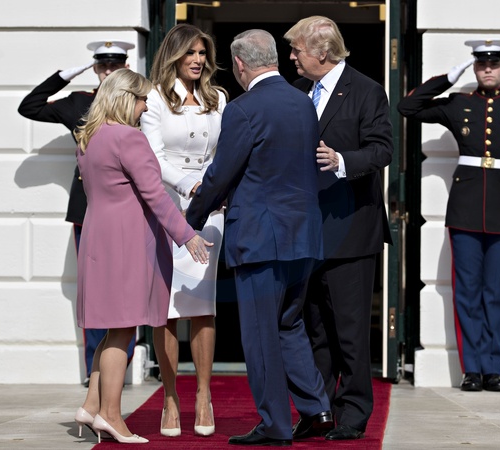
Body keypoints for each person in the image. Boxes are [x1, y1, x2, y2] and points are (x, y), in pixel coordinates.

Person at [186, 29, 331, 446]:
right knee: (289, 323)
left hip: (260, 236)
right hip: (303, 234)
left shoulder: (243, 108)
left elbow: (222, 173)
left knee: (260, 333)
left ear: (239, 64)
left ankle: (275, 425)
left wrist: (191, 218)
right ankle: (317, 408)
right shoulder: (303, 102)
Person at [72, 68, 213, 444]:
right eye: (142, 100)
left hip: (98, 240)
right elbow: (154, 194)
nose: (145, 108)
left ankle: (91, 405)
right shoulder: (128, 138)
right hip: (126, 244)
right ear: (125, 98)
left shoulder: (88, 138)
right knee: (122, 329)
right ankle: (111, 416)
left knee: (111, 328)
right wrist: (187, 236)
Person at [397, 39, 500, 392]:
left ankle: (493, 369)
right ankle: (471, 370)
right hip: (464, 211)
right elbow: (407, 107)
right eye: (481, 64)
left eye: (494, 63)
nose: (488, 69)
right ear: (475, 68)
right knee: (466, 292)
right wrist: (447, 78)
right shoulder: (458, 104)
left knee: (495, 293)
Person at [284, 16, 393, 441]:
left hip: (351, 229)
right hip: (306, 231)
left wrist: (342, 160)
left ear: (323, 52)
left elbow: (381, 150)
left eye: (297, 50)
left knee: (349, 330)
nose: (291, 57)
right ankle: (319, 410)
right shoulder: (297, 91)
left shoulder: (366, 90)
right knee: (315, 329)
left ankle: (354, 413)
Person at [17, 39, 137, 386]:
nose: (109, 71)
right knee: (95, 288)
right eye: (103, 66)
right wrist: (65, 76)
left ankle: (123, 359)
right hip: (89, 207)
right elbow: (29, 106)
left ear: (126, 67)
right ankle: (95, 371)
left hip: (131, 206)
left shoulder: (140, 102)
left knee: (130, 284)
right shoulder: (79, 103)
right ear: (96, 68)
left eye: (115, 65)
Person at [140, 23, 226, 438]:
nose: (197, 60)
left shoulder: (218, 98)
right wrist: (189, 186)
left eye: (202, 53)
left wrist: (214, 189)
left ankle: (204, 396)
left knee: (203, 304)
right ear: (173, 55)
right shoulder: (155, 98)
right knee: (167, 307)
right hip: (167, 206)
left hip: (209, 209)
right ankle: (170, 397)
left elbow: (226, 153)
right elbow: (152, 157)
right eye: (190, 52)